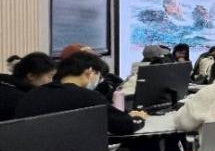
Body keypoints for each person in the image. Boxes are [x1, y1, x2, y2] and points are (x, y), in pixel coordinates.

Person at [15, 51, 148, 135]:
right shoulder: (87, 97)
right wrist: (138, 118)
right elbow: (125, 126)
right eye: (99, 76)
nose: (99, 81)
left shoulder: (32, 94)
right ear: (90, 72)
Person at [0, 52, 56, 121]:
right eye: (50, 76)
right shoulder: (20, 99)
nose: (51, 81)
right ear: (31, 76)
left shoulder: (6, 82)